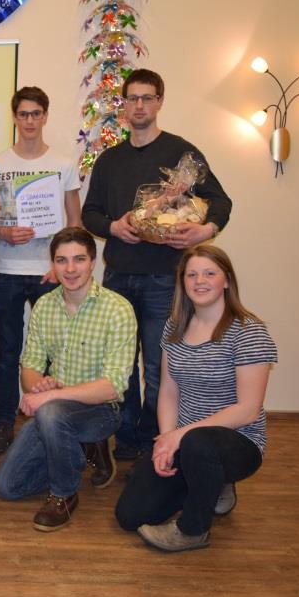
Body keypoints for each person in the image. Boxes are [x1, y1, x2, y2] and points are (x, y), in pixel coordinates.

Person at [82, 69, 232, 461]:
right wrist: (113, 227)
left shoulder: (182, 154)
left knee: (158, 367)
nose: (139, 106)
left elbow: (221, 202)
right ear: (123, 104)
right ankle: (127, 440)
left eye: (147, 98)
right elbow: (90, 213)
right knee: (120, 367)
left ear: (159, 101)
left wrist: (204, 231)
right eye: (132, 98)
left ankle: (155, 441)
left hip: (164, 279)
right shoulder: (110, 160)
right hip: (117, 277)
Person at [115, 245, 276, 552]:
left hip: (237, 442)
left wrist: (180, 435)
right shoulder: (174, 326)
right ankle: (206, 485)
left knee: (198, 442)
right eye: (191, 275)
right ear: (183, 282)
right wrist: (166, 440)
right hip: (185, 441)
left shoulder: (249, 332)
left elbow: (248, 410)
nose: (199, 281)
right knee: (130, 515)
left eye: (209, 273)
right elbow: (168, 390)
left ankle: (193, 530)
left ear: (226, 280)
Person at [0, 228, 136, 531]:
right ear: (53, 264)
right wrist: (38, 386)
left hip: (101, 411)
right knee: (8, 486)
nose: (70, 269)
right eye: (62, 260)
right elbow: (30, 367)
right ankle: (82, 449)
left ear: (93, 262)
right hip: (54, 410)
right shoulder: (45, 305)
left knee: (51, 412)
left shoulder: (118, 309)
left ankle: (64, 494)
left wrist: (51, 395)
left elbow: (113, 386)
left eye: (79, 259)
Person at [0, 86, 81, 459]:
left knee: (53, 356)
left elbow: (75, 221)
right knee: (8, 353)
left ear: (45, 116)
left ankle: (50, 424)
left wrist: (60, 266)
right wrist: (3, 232)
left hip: (48, 275)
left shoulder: (63, 163)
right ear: (14, 117)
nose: (29, 121)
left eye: (36, 113)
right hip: (7, 270)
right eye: (23, 114)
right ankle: (5, 423)